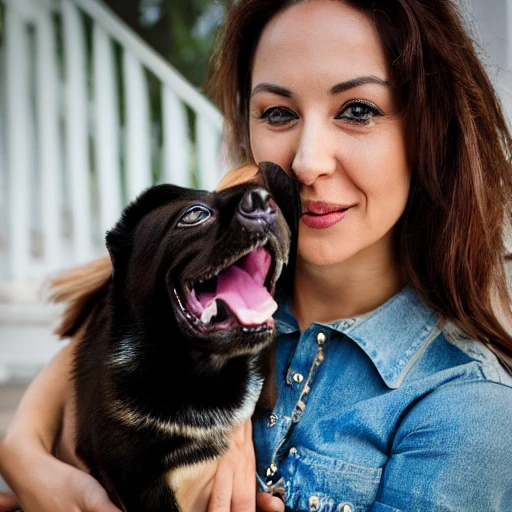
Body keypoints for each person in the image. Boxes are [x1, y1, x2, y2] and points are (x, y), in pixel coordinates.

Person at [1, 0, 512, 510]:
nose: (308, 161)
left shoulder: (467, 412)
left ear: (431, 131)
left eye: (358, 110)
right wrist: (25, 454)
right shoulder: (189, 296)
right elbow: (88, 345)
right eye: (279, 113)